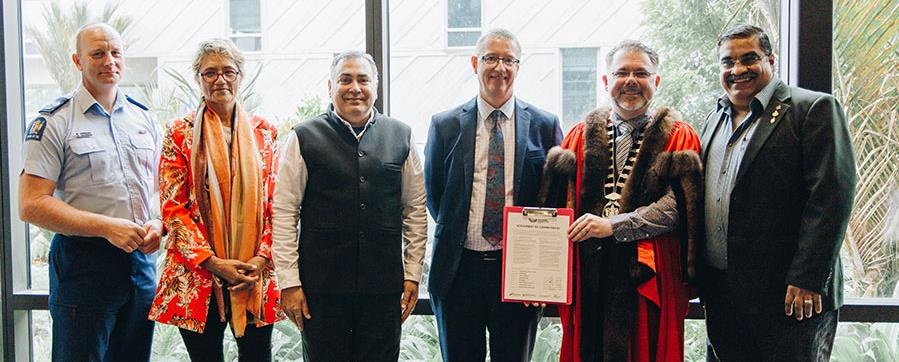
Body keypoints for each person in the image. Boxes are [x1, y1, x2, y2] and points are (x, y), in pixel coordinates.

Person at [698, 25, 856, 361]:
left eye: (749, 59)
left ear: (771, 59)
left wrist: (808, 278)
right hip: (723, 295)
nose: (737, 70)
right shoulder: (714, 119)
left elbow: (831, 200)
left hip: (791, 297)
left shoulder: (812, 109)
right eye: (728, 63)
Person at [539, 40, 703, 361]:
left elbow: (675, 208)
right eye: (621, 73)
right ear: (606, 82)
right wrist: (537, 276)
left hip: (648, 271)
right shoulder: (577, 137)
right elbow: (551, 213)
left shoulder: (680, 136)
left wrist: (611, 226)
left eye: (641, 73)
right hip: (587, 276)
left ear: (656, 82)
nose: (630, 81)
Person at [18, 23, 161, 361]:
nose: (108, 60)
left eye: (115, 53)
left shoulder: (144, 119)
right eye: (97, 53)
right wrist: (106, 227)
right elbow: (31, 204)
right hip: (84, 263)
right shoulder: (54, 121)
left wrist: (158, 222)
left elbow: (158, 191)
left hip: (140, 264)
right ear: (77, 61)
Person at [272, 50, 427, 361]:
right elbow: (285, 213)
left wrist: (412, 274)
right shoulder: (303, 137)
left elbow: (415, 210)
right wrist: (289, 283)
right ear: (330, 86)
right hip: (322, 290)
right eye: (345, 79)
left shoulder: (401, 136)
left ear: (376, 86)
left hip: (383, 290)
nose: (355, 87)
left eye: (363, 80)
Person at [424, 28, 563, 361]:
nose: (499, 67)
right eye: (491, 58)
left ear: (518, 67)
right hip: (458, 271)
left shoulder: (545, 124)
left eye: (508, 60)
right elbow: (436, 196)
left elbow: (556, 198)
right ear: (475, 63)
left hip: (519, 271)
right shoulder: (445, 125)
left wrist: (541, 272)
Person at [147, 38, 283, 361]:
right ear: (198, 79)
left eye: (228, 71)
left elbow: (277, 204)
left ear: (240, 76)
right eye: (210, 73)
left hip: (253, 274)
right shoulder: (179, 132)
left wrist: (260, 260)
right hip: (198, 274)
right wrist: (215, 263)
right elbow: (172, 208)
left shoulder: (266, 132)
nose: (220, 79)